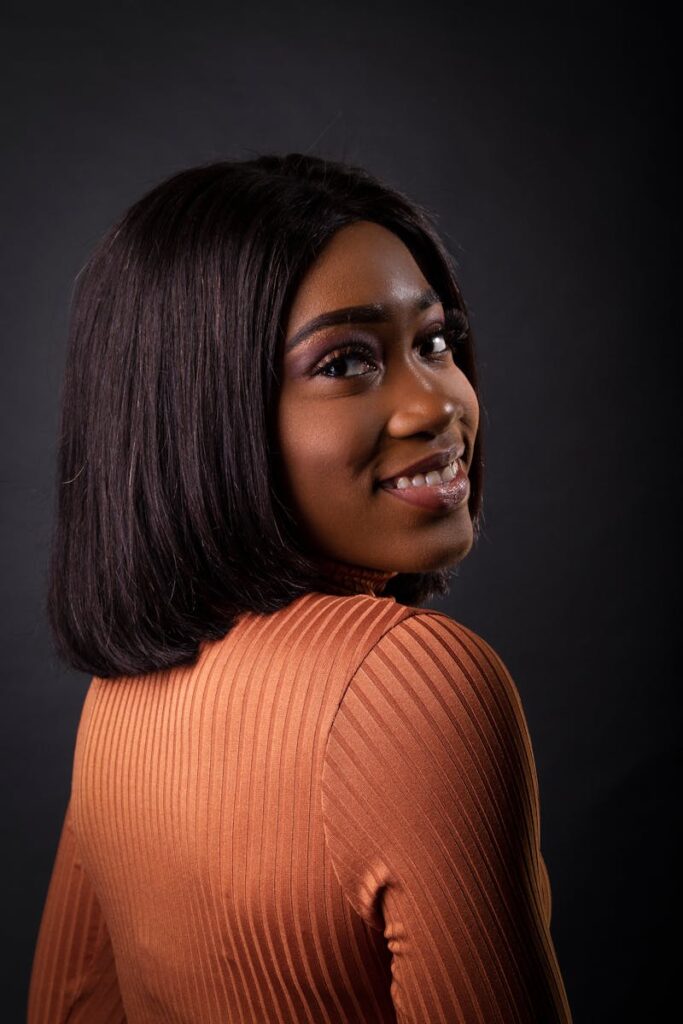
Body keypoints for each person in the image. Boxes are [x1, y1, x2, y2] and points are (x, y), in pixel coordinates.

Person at [27, 153, 573, 1023]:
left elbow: (68, 1007)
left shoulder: (116, 702)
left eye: (433, 342)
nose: (438, 404)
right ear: (204, 416)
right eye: (345, 362)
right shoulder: (413, 685)